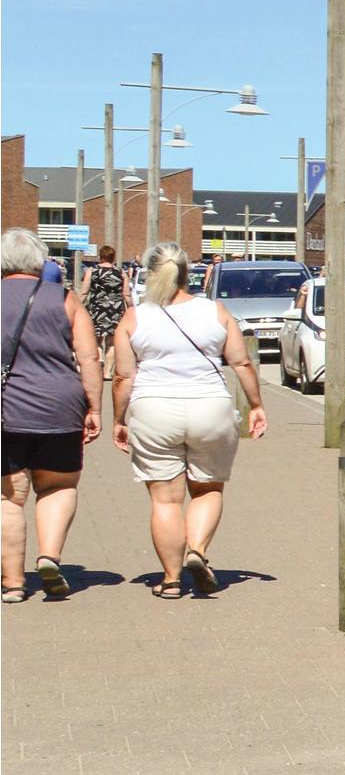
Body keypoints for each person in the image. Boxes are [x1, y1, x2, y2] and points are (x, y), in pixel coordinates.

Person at [110, 242, 267, 599]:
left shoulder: (135, 317)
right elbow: (241, 362)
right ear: (187, 273)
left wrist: (118, 419)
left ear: (150, 273)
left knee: (165, 500)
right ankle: (196, 550)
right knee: (207, 489)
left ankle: (170, 579)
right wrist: (257, 405)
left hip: (154, 410)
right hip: (210, 407)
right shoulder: (215, 311)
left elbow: (123, 377)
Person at [1, 229, 103, 602]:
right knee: (57, 487)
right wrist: (94, 407)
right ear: (40, 260)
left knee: (8, 498)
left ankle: (13, 583)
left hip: (6, 410)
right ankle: (49, 556)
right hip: (60, 406)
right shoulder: (65, 299)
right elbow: (89, 357)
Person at [83, 244, 130, 361]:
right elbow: (127, 294)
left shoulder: (92, 271)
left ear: (100, 256)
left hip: (96, 309)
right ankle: (108, 370)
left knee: (96, 339)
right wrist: (131, 308)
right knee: (111, 342)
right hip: (115, 311)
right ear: (113, 257)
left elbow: (84, 292)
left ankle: (100, 361)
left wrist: (79, 305)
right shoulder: (121, 273)